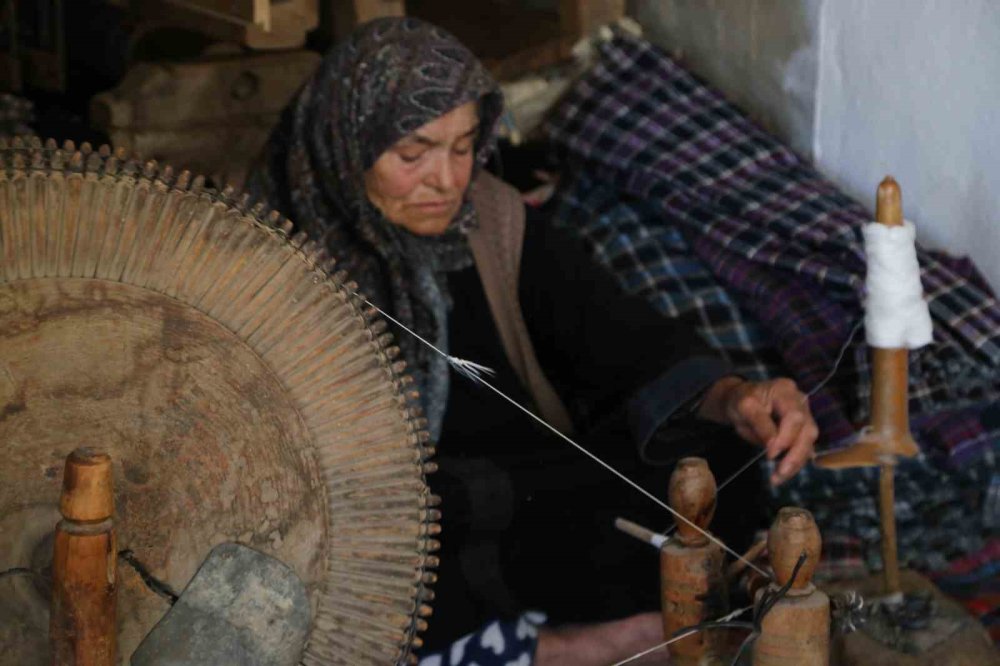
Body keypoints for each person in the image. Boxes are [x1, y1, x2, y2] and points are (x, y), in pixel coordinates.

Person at [247, 17, 818, 666]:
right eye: (413, 153)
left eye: (464, 146)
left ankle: (629, 620)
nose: (447, 180)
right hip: (380, 508)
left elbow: (616, 331)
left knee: (707, 459)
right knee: (372, 561)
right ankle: (565, 647)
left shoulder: (489, 217)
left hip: (525, 488)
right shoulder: (271, 263)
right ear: (344, 142)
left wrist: (734, 397)